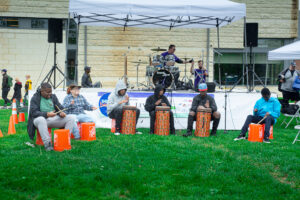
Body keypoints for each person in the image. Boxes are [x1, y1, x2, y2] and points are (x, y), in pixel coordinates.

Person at [27, 83, 76, 151]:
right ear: (42, 91)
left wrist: (62, 113)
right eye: (48, 92)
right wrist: (46, 114)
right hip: (39, 120)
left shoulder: (53, 97)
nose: (50, 94)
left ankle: (64, 141)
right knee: (41, 120)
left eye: (51, 92)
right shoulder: (35, 98)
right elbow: (34, 113)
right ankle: (48, 144)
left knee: (70, 118)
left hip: (52, 119)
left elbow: (60, 107)